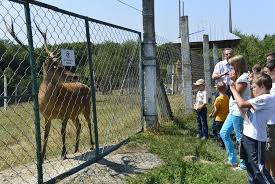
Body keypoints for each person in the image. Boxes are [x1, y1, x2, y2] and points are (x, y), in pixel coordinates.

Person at [231, 73, 275, 184]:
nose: (252, 89)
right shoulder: (259, 100)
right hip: (247, 136)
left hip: (256, 139)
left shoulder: (267, 98)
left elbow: (242, 104)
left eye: (254, 87)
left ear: (263, 87)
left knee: (259, 170)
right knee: (250, 168)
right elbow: (245, 114)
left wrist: (233, 89)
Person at [220, 55, 251, 170]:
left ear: (238, 66)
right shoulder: (239, 78)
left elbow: (234, 94)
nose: (230, 69)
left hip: (239, 113)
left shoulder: (242, 78)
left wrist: (231, 81)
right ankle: (232, 160)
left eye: (232, 66)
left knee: (240, 138)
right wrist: (232, 81)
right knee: (223, 133)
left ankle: (243, 164)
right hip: (233, 111)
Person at [263, 59, 275, 181]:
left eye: (267, 72)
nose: (265, 75)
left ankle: (271, 177)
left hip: (271, 123)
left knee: (270, 151)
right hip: (270, 122)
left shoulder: (273, 88)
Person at [209, 81, 229, 148]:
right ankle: (224, 143)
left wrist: (213, 115)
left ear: (217, 89)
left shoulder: (218, 99)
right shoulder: (227, 97)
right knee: (224, 131)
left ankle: (221, 144)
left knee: (219, 132)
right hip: (225, 118)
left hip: (219, 119)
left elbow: (216, 109)